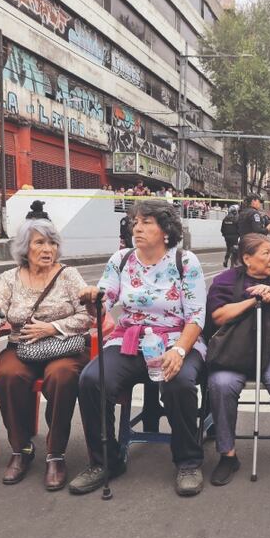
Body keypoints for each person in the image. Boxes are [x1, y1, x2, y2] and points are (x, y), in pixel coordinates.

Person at [70, 199, 208, 497]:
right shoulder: (121, 259)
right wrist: (93, 299)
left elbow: (196, 317)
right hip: (130, 338)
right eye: (136, 222)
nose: (138, 228)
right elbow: (105, 299)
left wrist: (180, 351)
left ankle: (188, 461)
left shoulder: (185, 262)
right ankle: (105, 461)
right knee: (92, 380)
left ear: (166, 230)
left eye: (147, 222)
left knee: (179, 383)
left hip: (177, 339)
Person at [0, 219, 91, 490]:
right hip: (22, 346)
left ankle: (56, 452)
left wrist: (51, 328)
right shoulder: (10, 277)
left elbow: (87, 317)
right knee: (7, 374)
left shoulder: (69, 276)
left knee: (62, 376)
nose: (48, 248)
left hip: (63, 346)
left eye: (52, 243)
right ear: (25, 248)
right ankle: (21, 448)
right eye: (40, 242)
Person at [205, 234, 270, 485]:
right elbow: (218, 317)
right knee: (220, 385)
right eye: (266, 253)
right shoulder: (225, 280)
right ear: (246, 258)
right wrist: (253, 300)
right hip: (232, 352)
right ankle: (227, 454)